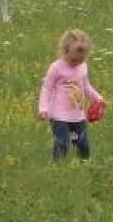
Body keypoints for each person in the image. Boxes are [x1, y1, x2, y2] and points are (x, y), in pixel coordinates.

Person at [37, 28, 106, 162]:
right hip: (59, 116)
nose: (77, 63)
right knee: (62, 143)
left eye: (81, 60)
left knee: (82, 144)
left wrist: (97, 98)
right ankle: (57, 166)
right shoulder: (56, 68)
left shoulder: (82, 67)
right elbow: (47, 88)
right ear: (65, 51)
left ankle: (84, 165)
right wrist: (43, 108)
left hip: (77, 116)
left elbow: (86, 86)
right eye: (74, 60)